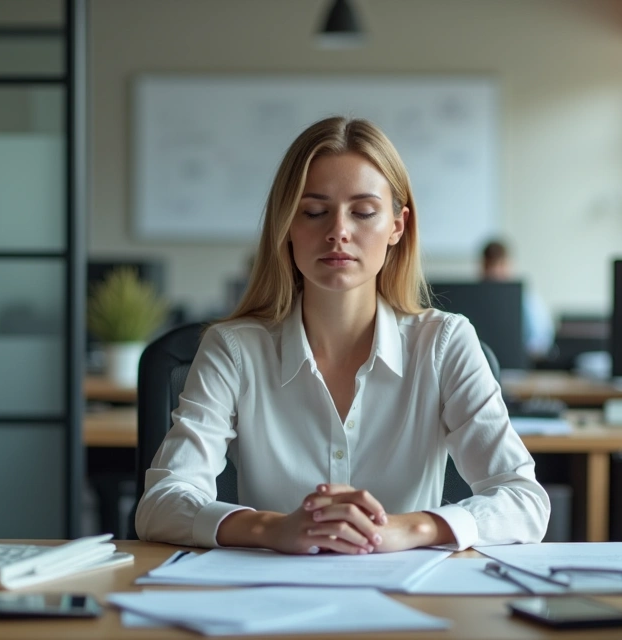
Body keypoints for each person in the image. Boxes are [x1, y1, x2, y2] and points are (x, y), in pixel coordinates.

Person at [135, 117, 550, 555]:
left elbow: (525, 501)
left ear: (397, 226)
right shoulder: (234, 349)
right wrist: (271, 529)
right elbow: (160, 504)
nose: (338, 231)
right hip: (271, 603)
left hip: (410, 604)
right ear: (286, 226)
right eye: (313, 212)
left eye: (364, 212)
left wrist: (409, 529)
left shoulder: (444, 343)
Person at [480, 239, 554, 361]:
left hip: (519, 363)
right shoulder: (474, 295)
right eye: (490, 265)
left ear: (509, 264)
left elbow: (542, 337)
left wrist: (524, 353)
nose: (495, 272)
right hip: (481, 361)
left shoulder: (526, 296)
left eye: (500, 265)